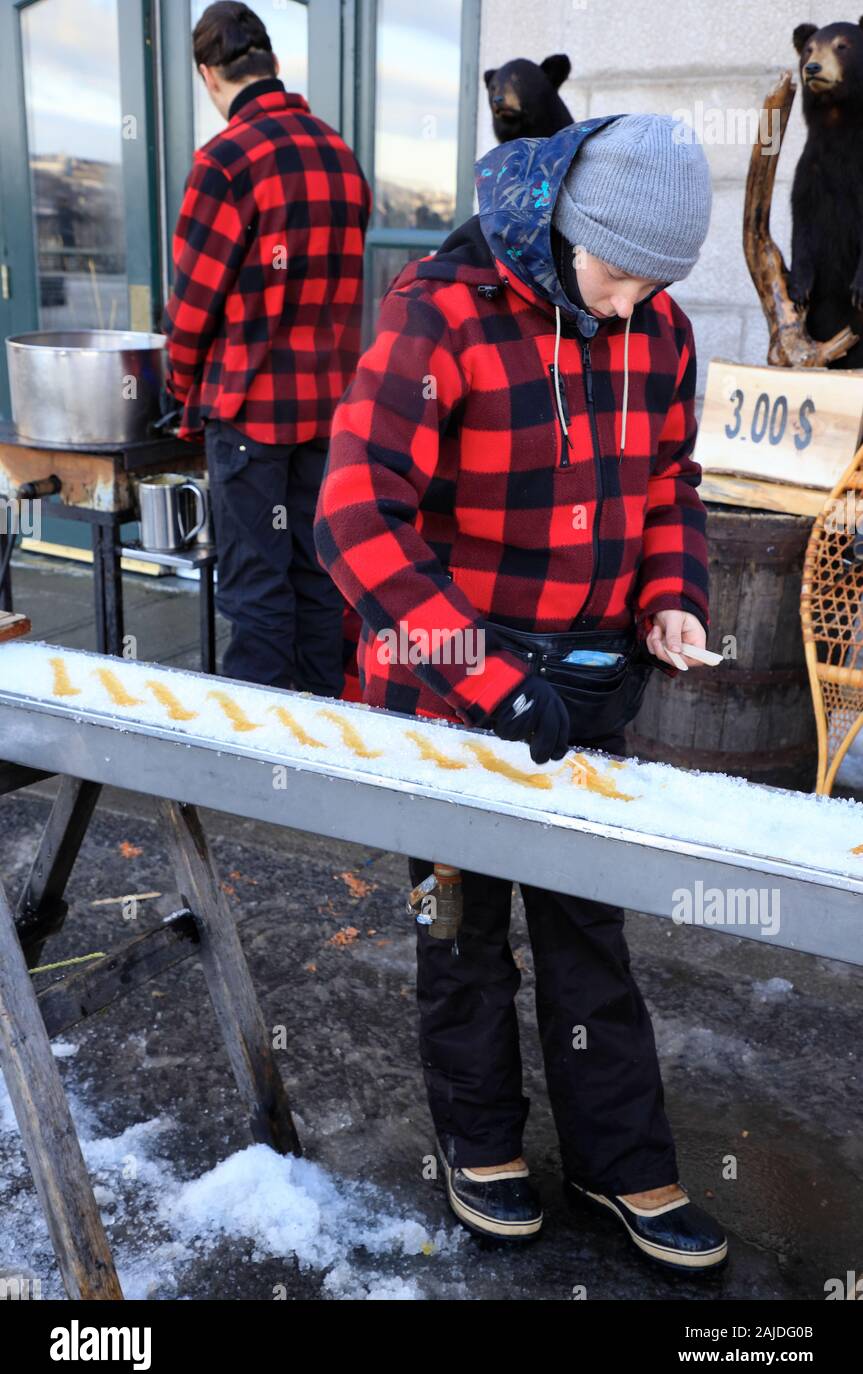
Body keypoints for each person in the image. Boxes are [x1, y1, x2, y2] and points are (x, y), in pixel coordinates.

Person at [314, 113, 727, 1272]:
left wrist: (667, 595)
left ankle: (618, 1159)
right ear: (562, 231)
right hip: (450, 687)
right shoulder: (438, 313)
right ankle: (479, 1143)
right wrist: (485, 679)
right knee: (459, 929)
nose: (630, 305)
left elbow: (667, 481)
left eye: (657, 285)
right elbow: (352, 518)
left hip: (582, 687)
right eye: (617, 274)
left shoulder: (657, 328)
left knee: (588, 922)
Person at [163, 1, 371, 696]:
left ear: (206, 76)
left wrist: (179, 391)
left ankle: (256, 762)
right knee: (316, 578)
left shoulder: (224, 161)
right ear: (273, 66)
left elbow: (193, 309)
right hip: (327, 414)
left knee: (255, 588)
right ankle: (319, 744)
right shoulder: (339, 155)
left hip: (251, 413)